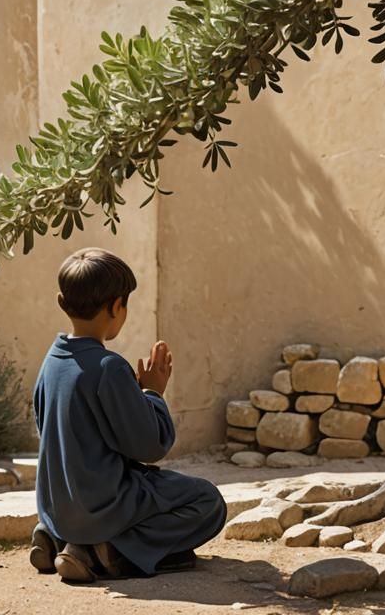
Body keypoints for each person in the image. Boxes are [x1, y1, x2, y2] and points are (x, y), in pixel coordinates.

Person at [30, 247, 227, 582]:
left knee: (163, 494)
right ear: (116, 306)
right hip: (104, 506)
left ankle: (56, 538)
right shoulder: (109, 367)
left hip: (57, 508)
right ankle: (104, 551)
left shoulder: (51, 362)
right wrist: (152, 393)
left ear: (62, 302)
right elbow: (149, 446)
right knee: (207, 501)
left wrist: (131, 398)